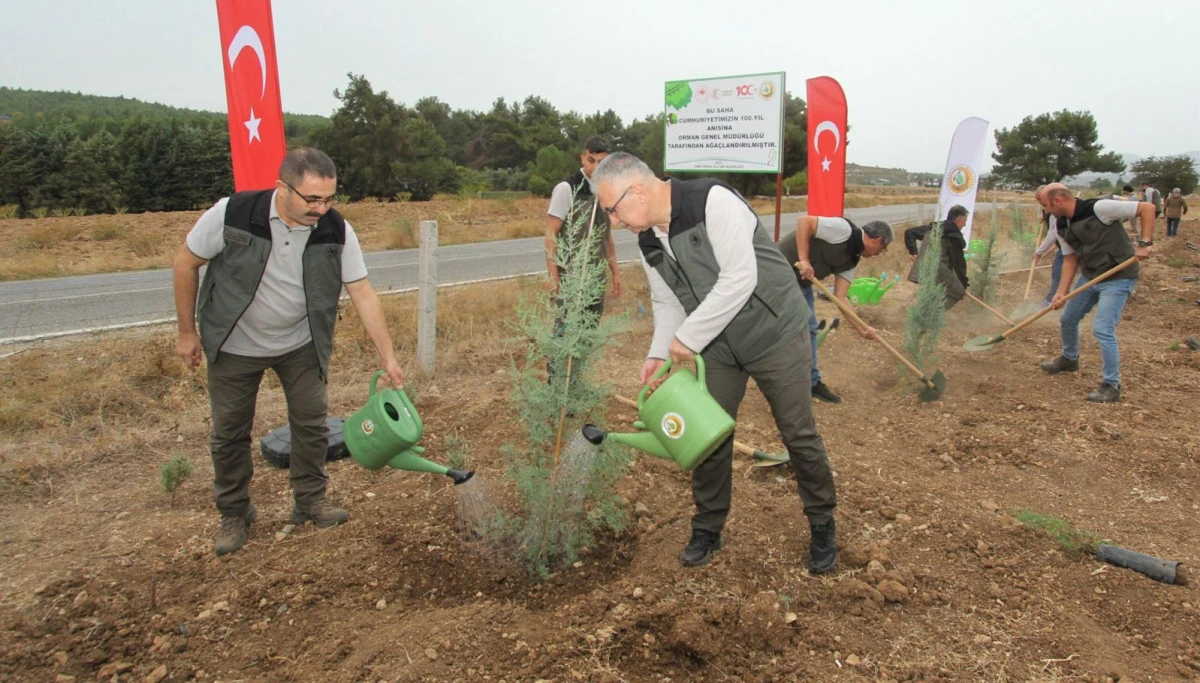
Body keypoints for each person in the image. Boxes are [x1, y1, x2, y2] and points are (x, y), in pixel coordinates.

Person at [592, 152, 838, 573]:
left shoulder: (712, 201)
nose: (613, 223)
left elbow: (740, 278)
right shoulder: (649, 237)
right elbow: (667, 299)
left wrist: (688, 339)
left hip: (774, 333)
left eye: (612, 211)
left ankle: (822, 524)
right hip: (719, 350)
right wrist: (658, 352)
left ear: (637, 190)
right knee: (708, 437)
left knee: (798, 434)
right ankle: (708, 527)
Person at [173, 147, 405, 556]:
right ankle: (234, 511)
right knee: (229, 433)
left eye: (329, 198)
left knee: (312, 425)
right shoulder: (233, 213)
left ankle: (310, 500)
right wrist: (187, 332)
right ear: (283, 188)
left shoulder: (335, 229)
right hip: (235, 343)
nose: (321, 208)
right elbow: (185, 263)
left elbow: (363, 292)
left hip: (301, 342)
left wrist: (388, 355)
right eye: (312, 199)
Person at [1036, 182, 1155, 403]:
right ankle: (1069, 359)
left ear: (1058, 200)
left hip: (1118, 277)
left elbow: (1146, 208)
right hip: (1090, 276)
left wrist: (1145, 243)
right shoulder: (1062, 225)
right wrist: (1061, 292)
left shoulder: (1099, 208)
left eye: (1045, 205)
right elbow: (1070, 259)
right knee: (1068, 319)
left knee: (1102, 328)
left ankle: (1111, 385)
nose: (1045, 210)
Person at [776, 216, 892, 403]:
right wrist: (804, 260)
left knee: (809, 328)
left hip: (801, 283)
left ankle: (812, 383)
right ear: (877, 241)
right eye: (883, 249)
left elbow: (841, 296)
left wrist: (862, 329)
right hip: (778, 269)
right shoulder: (843, 230)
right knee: (797, 326)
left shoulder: (852, 260)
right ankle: (782, 380)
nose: (880, 253)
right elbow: (804, 222)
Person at [544, 135, 622, 301]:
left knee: (591, 325)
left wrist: (615, 272)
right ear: (582, 159)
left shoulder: (606, 192)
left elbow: (606, 236)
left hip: (596, 277)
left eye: (602, 162)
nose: (596, 167)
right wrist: (553, 276)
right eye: (591, 160)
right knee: (566, 326)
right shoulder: (566, 189)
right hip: (569, 278)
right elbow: (550, 236)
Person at [903, 205, 970, 309]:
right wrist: (963, 284)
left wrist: (913, 252)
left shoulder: (934, 228)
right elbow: (959, 263)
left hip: (921, 269)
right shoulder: (954, 236)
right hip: (938, 269)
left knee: (938, 290)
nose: (965, 224)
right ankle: (932, 316)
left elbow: (909, 233)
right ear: (958, 220)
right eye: (964, 221)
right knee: (957, 291)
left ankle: (923, 313)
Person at [1033, 186, 1063, 308]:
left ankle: (1051, 300)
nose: (1040, 203)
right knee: (1059, 272)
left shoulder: (1056, 212)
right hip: (1065, 246)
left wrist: (1039, 252)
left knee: (1057, 273)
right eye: (1038, 200)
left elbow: (1054, 232)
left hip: (1070, 248)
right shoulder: (1049, 210)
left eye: (1041, 199)